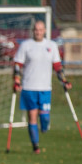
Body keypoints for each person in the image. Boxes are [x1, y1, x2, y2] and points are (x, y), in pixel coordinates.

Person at [13, 20, 71, 154]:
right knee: (32, 117)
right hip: (29, 87)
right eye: (35, 29)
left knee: (44, 117)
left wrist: (64, 80)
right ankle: (35, 146)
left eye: (40, 29)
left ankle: (44, 128)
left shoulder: (51, 45)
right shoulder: (26, 45)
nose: (38, 32)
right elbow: (17, 65)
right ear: (32, 30)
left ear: (45, 30)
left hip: (45, 88)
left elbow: (57, 66)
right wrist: (16, 81)